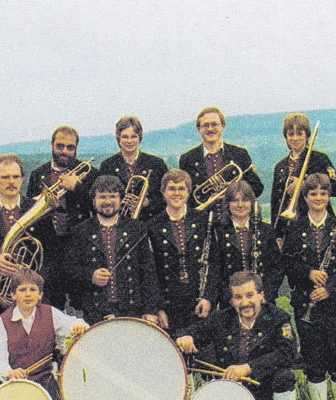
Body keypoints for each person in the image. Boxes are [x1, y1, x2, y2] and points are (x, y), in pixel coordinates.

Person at [176, 271, 299, 400]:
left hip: (263, 387)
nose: (244, 302)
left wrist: (248, 368)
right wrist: (186, 337)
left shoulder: (276, 318)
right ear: (232, 300)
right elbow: (194, 332)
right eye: (238, 297)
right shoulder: (221, 319)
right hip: (231, 389)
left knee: (284, 377)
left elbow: (286, 353)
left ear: (261, 295)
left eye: (250, 295)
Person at [282, 173, 336, 400]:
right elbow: (287, 263)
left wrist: (330, 288)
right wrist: (309, 273)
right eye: (312, 193)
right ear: (304, 197)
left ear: (329, 196)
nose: (318, 197)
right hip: (307, 304)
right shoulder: (294, 228)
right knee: (314, 362)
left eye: (323, 193)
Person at [0, 154, 61, 321]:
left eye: (15, 176)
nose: (11, 181)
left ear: (22, 179)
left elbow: (53, 253)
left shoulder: (38, 210)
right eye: (5, 177)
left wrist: (37, 280)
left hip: (35, 294)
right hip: (0, 296)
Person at [64, 175, 160, 325]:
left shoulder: (137, 228)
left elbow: (148, 273)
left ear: (121, 200)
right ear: (93, 200)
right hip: (94, 312)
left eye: (113, 196)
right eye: (102, 197)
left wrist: (151, 310)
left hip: (132, 310)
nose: (107, 202)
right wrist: (91, 276)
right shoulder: (79, 231)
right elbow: (69, 271)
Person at [0, 269, 88, 400]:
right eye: (22, 290)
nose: (28, 294)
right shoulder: (2, 322)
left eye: (33, 290)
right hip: (17, 381)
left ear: (40, 295)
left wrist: (78, 327)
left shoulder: (50, 313)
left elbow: (72, 323)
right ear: (13, 295)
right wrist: (9, 372)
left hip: (46, 379)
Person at [27, 125, 97, 310]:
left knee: (81, 302)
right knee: (51, 303)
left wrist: (77, 188)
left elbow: (101, 208)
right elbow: (29, 214)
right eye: (60, 146)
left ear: (76, 148)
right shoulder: (38, 174)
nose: (64, 151)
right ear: (51, 145)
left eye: (70, 147)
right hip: (49, 249)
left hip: (79, 247)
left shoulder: (90, 173)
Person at [147, 169, 219, 334]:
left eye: (182, 188)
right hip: (169, 304)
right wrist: (157, 308)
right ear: (163, 192)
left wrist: (208, 298)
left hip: (199, 301)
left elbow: (214, 263)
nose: (177, 193)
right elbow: (151, 272)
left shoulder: (203, 220)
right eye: (172, 189)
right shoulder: (152, 225)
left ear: (189, 192)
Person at [178, 107, 264, 214]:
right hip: (202, 219)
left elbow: (257, 187)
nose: (210, 129)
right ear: (198, 129)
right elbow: (184, 194)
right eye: (205, 125)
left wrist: (235, 192)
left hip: (236, 217)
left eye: (214, 124)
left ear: (223, 126)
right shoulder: (187, 159)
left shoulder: (239, 154)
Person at [270, 113, 336, 241]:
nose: (295, 138)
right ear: (285, 137)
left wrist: (305, 184)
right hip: (288, 228)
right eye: (291, 134)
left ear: (307, 135)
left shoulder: (320, 159)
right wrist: (276, 235)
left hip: (316, 224)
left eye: (300, 133)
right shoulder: (280, 166)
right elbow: (275, 203)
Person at [213, 180, 283, 307]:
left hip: (262, 301)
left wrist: (265, 294)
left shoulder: (266, 230)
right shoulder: (218, 232)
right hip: (231, 303)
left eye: (245, 200)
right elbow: (215, 271)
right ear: (227, 204)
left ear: (252, 203)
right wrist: (231, 298)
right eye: (235, 200)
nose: (240, 205)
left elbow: (277, 268)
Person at [98, 115, 168, 221]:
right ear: (118, 138)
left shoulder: (156, 164)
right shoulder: (107, 166)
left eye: (134, 136)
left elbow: (167, 196)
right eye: (125, 137)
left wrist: (147, 202)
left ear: (140, 138)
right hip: (119, 223)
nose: (129, 141)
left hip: (150, 222)